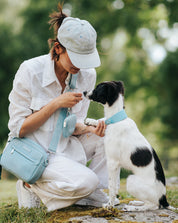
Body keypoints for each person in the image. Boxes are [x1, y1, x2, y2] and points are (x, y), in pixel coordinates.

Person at [6, 4, 119, 212]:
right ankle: (30, 185)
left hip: (65, 146)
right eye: (76, 57)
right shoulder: (30, 71)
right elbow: (18, 129)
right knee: (85, 182)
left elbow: (71, 126)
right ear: (58, 48)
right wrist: (55, 104)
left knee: (111, 134)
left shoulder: (87, 75)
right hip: (35, 151)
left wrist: (88, 129)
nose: (81, 66)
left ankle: (92, 191)